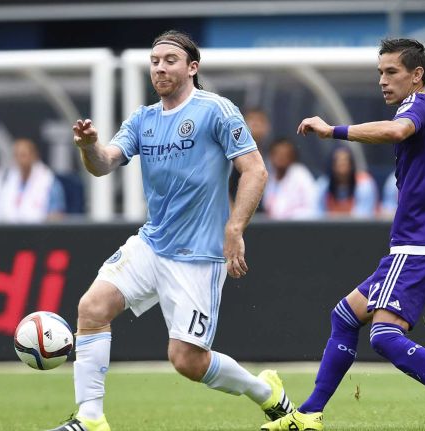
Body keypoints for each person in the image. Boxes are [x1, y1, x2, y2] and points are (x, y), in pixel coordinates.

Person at [46, 30, 293, 431]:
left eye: (170, 60)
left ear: (192, 67)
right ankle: (90, 419)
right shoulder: (142, 119)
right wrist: (88, 146)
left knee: (187, 361)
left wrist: (235, 228)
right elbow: (104, 163)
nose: (160, 68)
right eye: (155, 61)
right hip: (152, 243)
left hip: (199, 255)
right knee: (92, 308)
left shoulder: (216, 110)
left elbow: (255, 170)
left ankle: (265, 392)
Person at [263, 38, 425, 431]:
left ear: (417, 75)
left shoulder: (418, 107)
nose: (383, 81)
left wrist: (332, 130)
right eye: (380, 73)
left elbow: (396, 131)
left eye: (391, 72)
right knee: (345, 316)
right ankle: (310, 413)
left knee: (385, 336)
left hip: (417, 247)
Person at [0, 137, 65, 222]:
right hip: (10, 229)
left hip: (40, 229)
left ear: (34, 156)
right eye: (16, 155)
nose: (19, 160)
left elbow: (56, 215)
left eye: (23, 155)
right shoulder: (7, 180)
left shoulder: (49, 181)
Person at [261, 138, 318, 219]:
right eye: (277, 154)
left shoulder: (300, 174)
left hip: (298, 224)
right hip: (274, 224)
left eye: (285, 154)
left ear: (292, 157)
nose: (280, 157)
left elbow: (312, 207)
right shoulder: (268, 177)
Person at [317, 145, 378, 218]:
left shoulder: (364, 184)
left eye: (345, 161)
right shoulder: (323, 185)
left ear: (352, 164)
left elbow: (362, 219)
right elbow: (317, 215)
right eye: (337, 161)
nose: (341, 164)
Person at [229, 108, 272, 204]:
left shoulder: (272, 158)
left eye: (260, 120)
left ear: (267, 127)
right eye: (251, 119)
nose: (255, 124)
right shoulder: (231, 156)